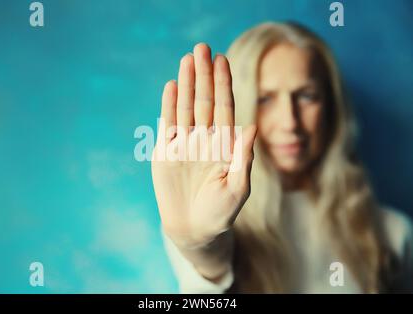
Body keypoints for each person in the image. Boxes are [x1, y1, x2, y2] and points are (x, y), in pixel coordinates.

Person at [151, 22, 413, 293]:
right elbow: (209, 274)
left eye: (307, 96)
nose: (290, 122)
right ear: (237, 107)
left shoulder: (393, 233)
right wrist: (200, 247)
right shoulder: (198, 217)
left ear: (332, 108)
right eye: (265, 99)